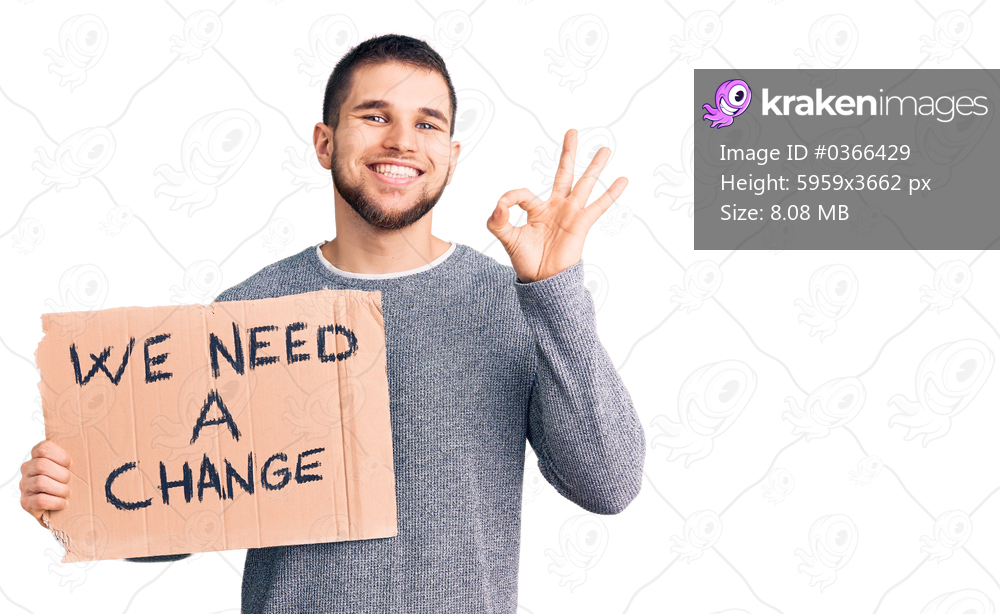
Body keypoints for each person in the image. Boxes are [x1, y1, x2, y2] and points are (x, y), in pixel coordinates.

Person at [20, 34, 645, 613]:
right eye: (375, 116)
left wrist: (555, 290)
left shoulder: (517, 301)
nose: (402, 140)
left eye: (427, 124)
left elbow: (609, 483)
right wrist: (82, 495)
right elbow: (184, 512)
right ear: (325, 142)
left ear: (450, 156)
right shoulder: (249, 313)